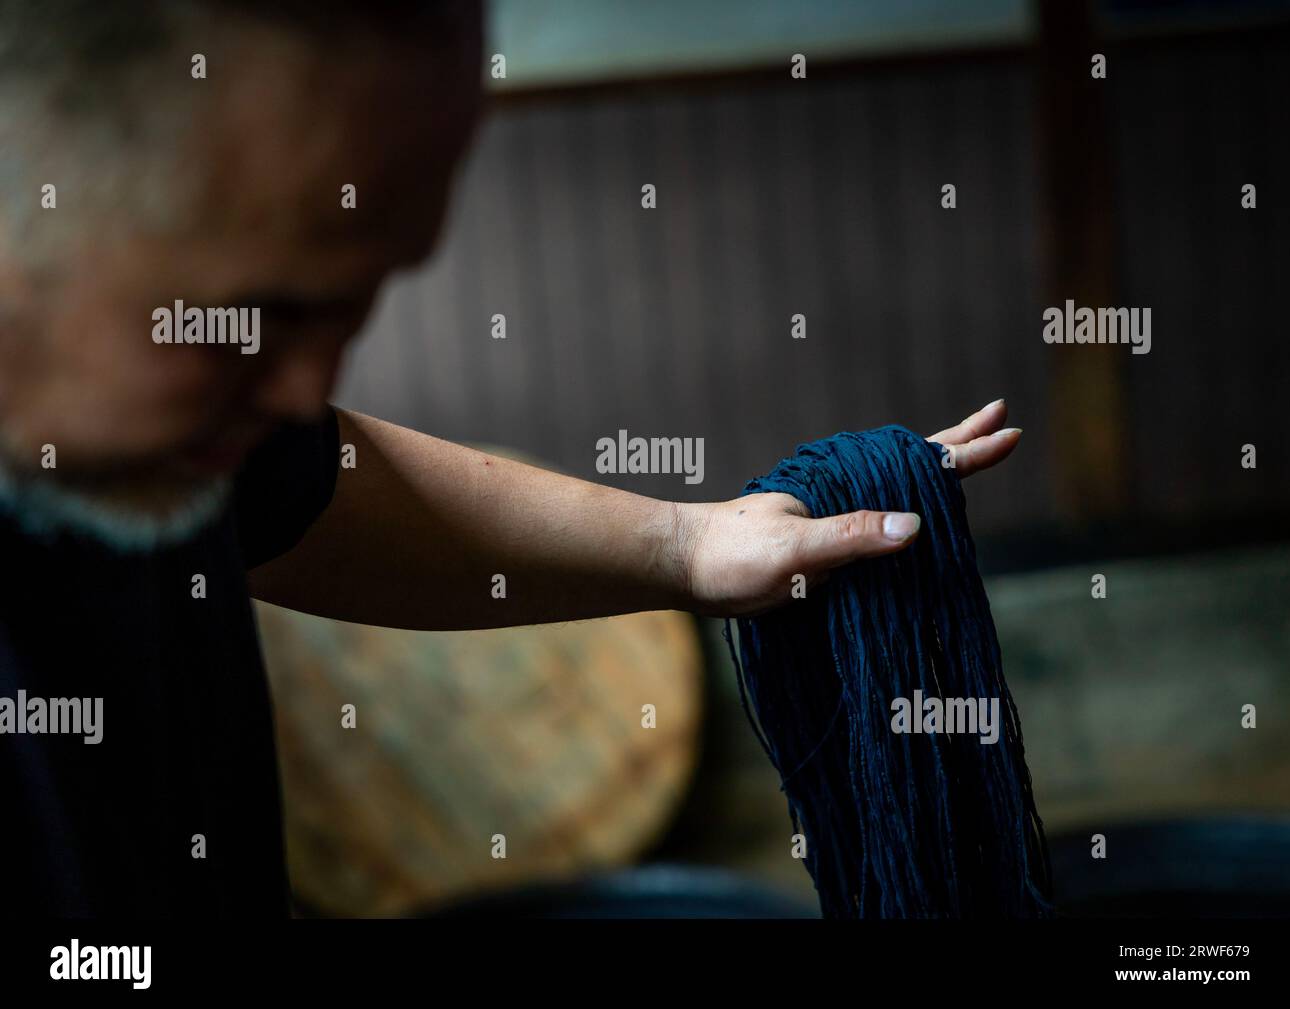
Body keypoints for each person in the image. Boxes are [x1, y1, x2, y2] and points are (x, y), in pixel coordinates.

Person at [0, 0, 1021, 915]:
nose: (307, 390)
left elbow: (307, 494)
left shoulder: (195, 432)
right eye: (258, 315)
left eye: (361, 299)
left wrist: (687, 544)